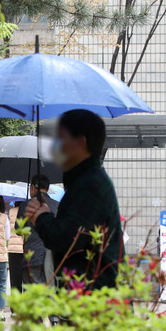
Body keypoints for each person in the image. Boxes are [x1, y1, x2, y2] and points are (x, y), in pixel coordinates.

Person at [25, 109, 123, 289]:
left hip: (95, 301)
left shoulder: (89, 185)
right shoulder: (85, 180)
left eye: (61, 138)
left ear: (81, 142)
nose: (56, 146)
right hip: (90, 295)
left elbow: (66, 238)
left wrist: (41, 217)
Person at [17, 175, 59, 285]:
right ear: (47, 188)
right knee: (50, 293)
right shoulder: (57, 205)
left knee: (32, 295)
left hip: (32, 255)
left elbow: (18, 230)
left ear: (32, 187)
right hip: (53, 257)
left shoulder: (26, 205)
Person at [7, 205, 24, 295]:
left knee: (15, 281)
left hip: (13, 249)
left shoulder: (11, 211)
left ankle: (15, 307)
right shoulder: (28, 210)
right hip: (25, 248)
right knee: (27, 281)